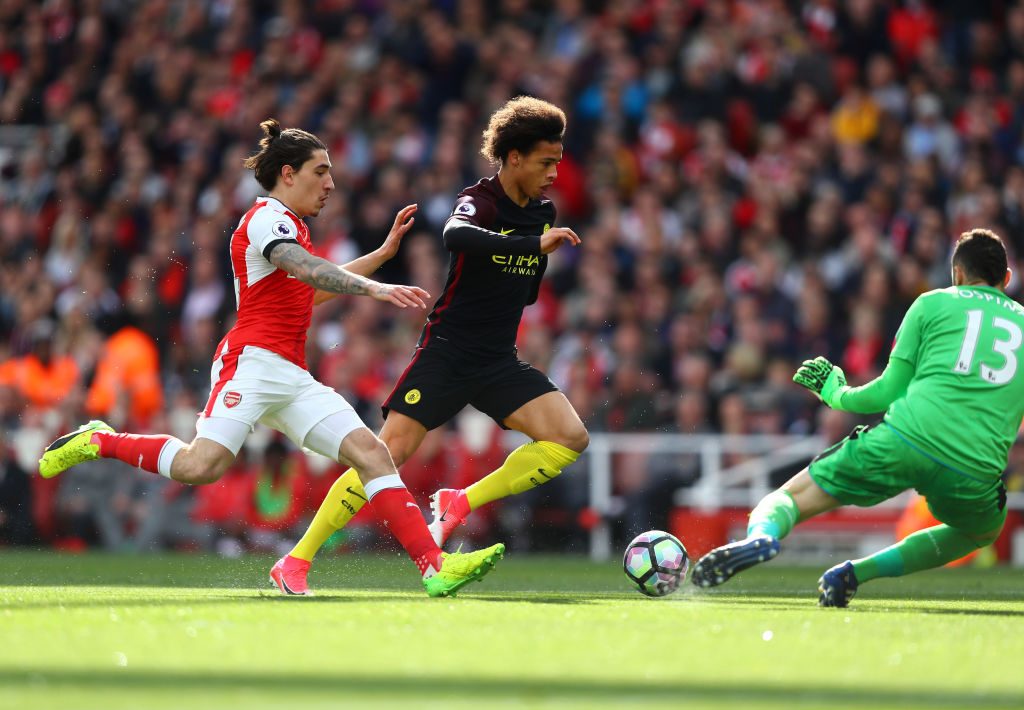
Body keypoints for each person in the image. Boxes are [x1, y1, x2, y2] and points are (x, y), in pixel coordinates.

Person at [38, 119, 505, 598]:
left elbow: (308, 292)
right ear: (288, 173)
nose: (330, 184)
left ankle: (433, 566)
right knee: (202, 467)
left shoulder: (295, 228)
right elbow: (305, 269)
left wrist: (381, 255)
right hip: (252, 363)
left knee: (371, 452)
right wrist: (372, 286)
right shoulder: (267, 219)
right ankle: (102, 440)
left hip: (291, 374)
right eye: (320, 172)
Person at [271, 96, 590, 595]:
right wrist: (529, 247)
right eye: (546, 162)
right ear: (513, 159)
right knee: (384, 454)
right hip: (448, 351)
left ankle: (459, 503)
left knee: (570, 437)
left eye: (558, 162)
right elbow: (456, 236)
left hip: (496, 358)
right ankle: (295, 560)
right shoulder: (479, 200)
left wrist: (531, 252)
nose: (554, 173)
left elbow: (524, 290)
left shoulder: (543, 213)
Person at [692, 228, 1016, 607]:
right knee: (979, 532)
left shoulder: (931, 304)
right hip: (974, 470)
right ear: (1006, 279)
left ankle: (762, 536)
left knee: (791, 498)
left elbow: (886, 391)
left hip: (906, 440)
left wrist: (835, 393)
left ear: (957, 274)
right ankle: (854, 573)